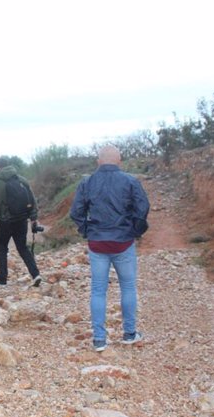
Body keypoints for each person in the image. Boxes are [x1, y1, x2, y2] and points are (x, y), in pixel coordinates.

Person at [69, 145, 150, 352]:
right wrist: (135, 231)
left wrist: (87, 230)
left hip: (97, 243)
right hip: (123, 242)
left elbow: (76, 211)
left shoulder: (87, 182)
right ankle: (129, 333)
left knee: (98, 290)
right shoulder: (131, 181)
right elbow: (142, 208)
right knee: (128, 287)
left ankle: (99, 339)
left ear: (98, 161)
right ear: (119, 161)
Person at [0, 156, 42, 287]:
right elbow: (32, 201)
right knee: (23, 248)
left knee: (1, 247)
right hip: (21, 219)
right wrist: (33, 218)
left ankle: (2, 280)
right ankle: (36, 274)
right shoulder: (21, 179)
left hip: (6, 221)